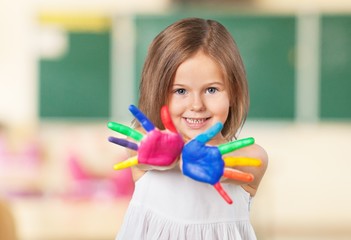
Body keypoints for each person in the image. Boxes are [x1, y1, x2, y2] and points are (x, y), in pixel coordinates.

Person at [113, 17, 268, 240]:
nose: (196, 105)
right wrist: (173, 156)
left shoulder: (249, 157)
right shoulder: (147, 140)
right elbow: (140, 149)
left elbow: (246, 165)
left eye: (212, 90)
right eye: (181, 91)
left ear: (233, 93)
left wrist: (209, 161)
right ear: (158, 91)